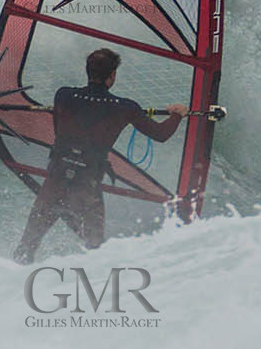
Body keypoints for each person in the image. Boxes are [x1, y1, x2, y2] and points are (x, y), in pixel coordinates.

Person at [13, 48, 187, 263]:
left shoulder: (63, 95)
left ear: (87, 71)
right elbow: (160, 134)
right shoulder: (125, 108)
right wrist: (177, 115)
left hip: (55, 182)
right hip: (86, 187)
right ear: (112, 75)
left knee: (26, 247)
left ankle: (10, 287)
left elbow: (62, 126)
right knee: (95, 252)